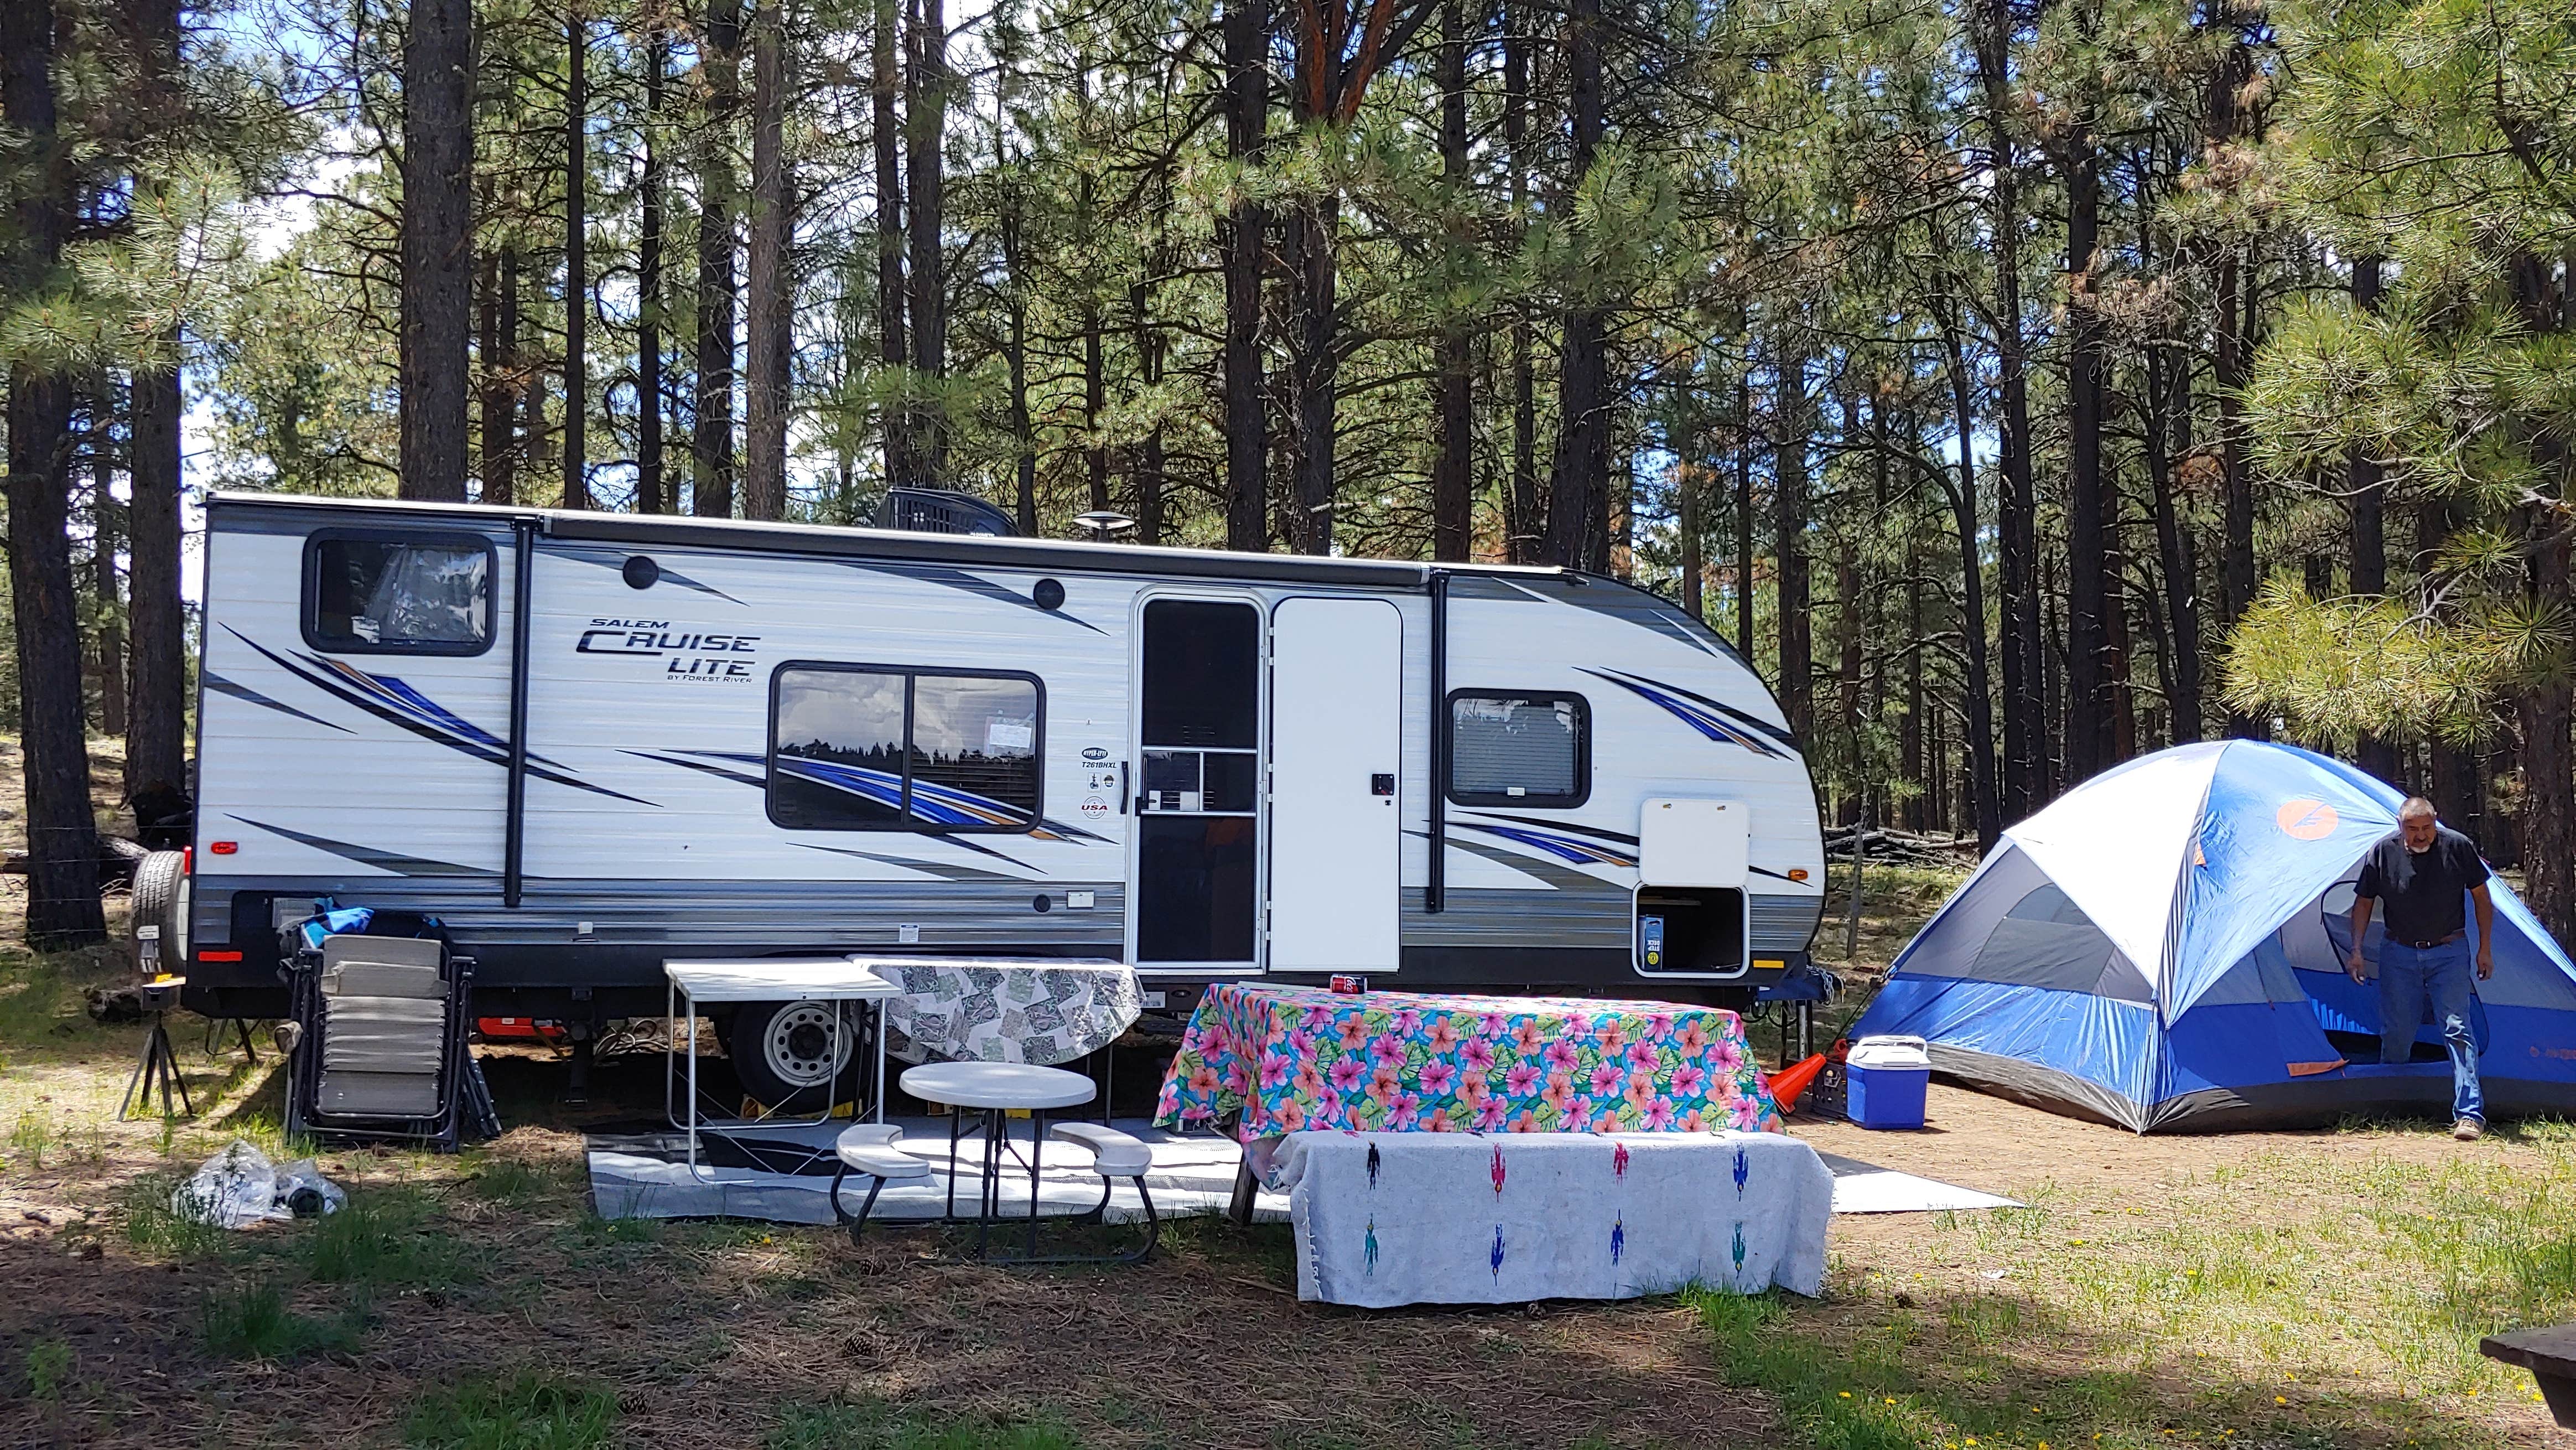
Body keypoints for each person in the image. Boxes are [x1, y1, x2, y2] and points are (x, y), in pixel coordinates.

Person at [2346, 796, 2496, 1141]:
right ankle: (2392, 1102)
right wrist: (2356, 950)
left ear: (2435, 822)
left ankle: (2470, 1115)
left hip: (2450, 950)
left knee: (2457, 1028)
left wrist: (2485, 948)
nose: (2420, 835)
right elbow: (2363, 902)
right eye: (2412, 829)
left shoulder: (2458, 847)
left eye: (2426, 828)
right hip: (2398, 952)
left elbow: (2482, 899)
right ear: (2401, 828)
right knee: (2398, 1032)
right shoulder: (2383, 852)